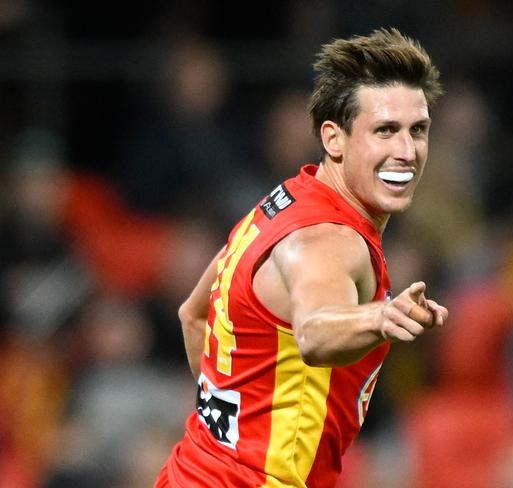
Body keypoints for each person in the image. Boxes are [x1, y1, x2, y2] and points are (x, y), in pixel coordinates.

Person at [155, 28, 448, 488]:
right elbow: (313, 332)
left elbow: (193, 316)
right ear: (334, 138)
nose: (406, 152)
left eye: (419, 131)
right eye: (385, 131)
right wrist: (380, 316)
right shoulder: (331, 241)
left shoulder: (284, 201)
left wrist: (233, 436)